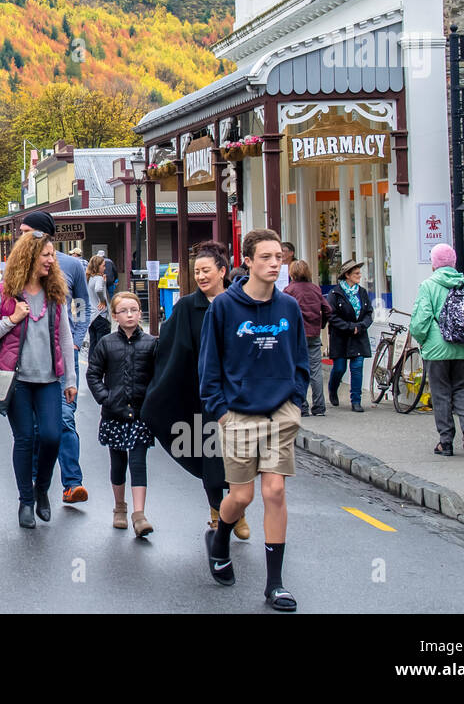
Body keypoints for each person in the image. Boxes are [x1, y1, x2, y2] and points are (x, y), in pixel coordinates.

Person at [200, 228, 309, 612]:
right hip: (239, 412)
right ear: (247, 262)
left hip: (279, 410)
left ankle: (275, 584)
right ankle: (221, 537)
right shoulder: (224, 308)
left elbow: (301, 358)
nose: (275, 264)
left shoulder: (289, 307)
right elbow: (209, 366)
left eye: (279, 257)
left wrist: (295, 400)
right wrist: (222, 412)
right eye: (265, 257)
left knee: (274, 492)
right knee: (242, 496)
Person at [141, 241, 249, 538]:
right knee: (212, 459)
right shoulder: (188, 307)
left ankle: (237, 508)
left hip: (240, 396)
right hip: (204, 396)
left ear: (223, 271)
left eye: (206, 271)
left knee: (240, 458)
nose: (201, 276)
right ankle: (219, 512)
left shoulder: (241, 304)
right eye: (197, 271)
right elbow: (170, 347)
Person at [0, 230, 76, 529]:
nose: (51, 260)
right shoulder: (2, 292)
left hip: (49, 379)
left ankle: (41, 487)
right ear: (29, 257)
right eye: (45, 255)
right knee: (25, 439)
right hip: (15, 379)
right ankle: (26, 501)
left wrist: (70, 378)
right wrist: (11, 320)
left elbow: (65, 335)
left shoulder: (55, 291)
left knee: (52, 436)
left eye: (52, 255)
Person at [16, 212, 89, 505]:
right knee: (35, 426)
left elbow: (82, 305)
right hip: (30, 358)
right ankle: (35, 481)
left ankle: (72, 483)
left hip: (63, 356)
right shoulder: (17, 266)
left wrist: (77, 339)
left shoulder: (71, 265)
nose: (20, 235)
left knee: (65, 418)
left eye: (27, 231)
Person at [86, 291, 156, 537]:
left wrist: (151, 402)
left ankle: (139, 513)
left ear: (140, 313)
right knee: (118, 463)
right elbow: (93, 374)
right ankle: (119, 507)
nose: (129, 315)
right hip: (114, 414)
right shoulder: (106, 343)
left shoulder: (150, 343)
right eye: (124, 311)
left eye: (134, 310)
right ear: (114, 315)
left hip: (140, 414)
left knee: (138, 463)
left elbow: (158, 377)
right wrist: (105, 398)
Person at [410, 243, 464, 456]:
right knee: (459, 388)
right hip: (462, 347)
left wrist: (423, 340)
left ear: (434, 264)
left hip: (436, 349)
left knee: (441, 393)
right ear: (454, 262)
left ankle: (446, 442)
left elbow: (420, 321)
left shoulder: (428, 285)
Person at [325, 259, 373, 412]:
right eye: (356, 273)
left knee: (357, 367)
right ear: (347, 275)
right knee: (339, 368)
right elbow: (331, 315)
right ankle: (333, 389)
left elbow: (369, 313)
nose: (360, 276)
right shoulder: (335, 293)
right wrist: (349, 327)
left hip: (358, 336)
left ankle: (356, 400)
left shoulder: (362, 292)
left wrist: (361, 326)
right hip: (340, 336)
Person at [284, 259, 330, 416]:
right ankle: (319, 407)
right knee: (316, 371)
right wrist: (320, 324)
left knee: (298, 370)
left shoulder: (289, 290)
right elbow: (327, 309)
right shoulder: (315, 289)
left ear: (292, 273)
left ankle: (302, 406)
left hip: (296, 335)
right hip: (314, 334)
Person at [86, 254, 111, 355]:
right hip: (101, 315)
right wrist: (102, 300)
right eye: (103, 265)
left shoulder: (89, 278)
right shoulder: (98, 278)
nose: (105, 268)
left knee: (93, 344)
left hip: (92, 316)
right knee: (102, 346)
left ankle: (92, 366)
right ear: (97, 266)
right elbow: (98, 289)